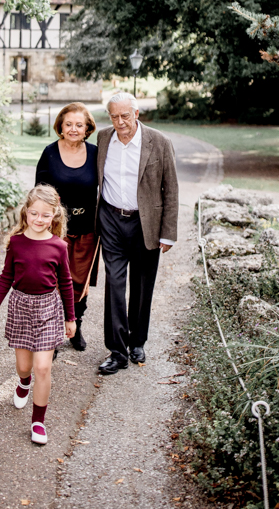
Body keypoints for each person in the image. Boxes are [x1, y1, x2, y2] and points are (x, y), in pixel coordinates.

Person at [0, 184, 76, 445]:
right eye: (34, 213)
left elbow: (66, 283)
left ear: (54, 216)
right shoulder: (16, 243)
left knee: (43, 367)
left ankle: (38, 422)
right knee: (25, 367)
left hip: (48, 308)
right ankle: (23, 382)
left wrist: (71, 318)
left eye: (46, 215)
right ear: (26, 213)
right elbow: (6, 276)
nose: (39, 219)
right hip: (21, 308)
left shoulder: (58, 246)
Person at [96, 91, 178, 375]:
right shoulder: (104, 137)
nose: (120, 122)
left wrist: (168, 233)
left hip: (146, 223)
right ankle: (117, 350)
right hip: (111, 219)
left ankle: (137, 342)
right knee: (114, 284)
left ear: (137, 114)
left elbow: (171, 189)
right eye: (114, 116)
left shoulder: (159, 142)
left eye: (125, 116)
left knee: (142, 286)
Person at [35, 103, 99, 351]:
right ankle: (50, 334)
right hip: (55, 229)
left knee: (78, 281)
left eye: (79, 125)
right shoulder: (50, 152)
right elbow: (39, 192)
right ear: (60, 126)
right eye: (69, 124)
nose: (73, 129)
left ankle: (75, 325)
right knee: (52, 280)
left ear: (87, 128)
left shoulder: (96, 154)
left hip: (87, 228)